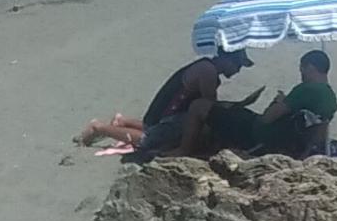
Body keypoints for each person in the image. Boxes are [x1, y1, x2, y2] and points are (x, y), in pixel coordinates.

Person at [74, 48, 254, 149]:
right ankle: (99, 127)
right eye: (237, 64)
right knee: (148, 140)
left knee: (162, 128)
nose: (238, 70)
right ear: (225, 59)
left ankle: (122, 121)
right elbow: (208, 107)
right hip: (168, 114)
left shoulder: (207, 67)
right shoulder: (208, 72)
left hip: (164, 110)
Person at [189, 49, 337, 157]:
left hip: (257, 136)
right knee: (229, 109)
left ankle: (183, 150)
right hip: (287, 142)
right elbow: (319, 132)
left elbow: (268, 118)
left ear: (310, 67)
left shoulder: (306, 89)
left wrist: (277, 102)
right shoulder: (331, 98)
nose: (301, 75)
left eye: (302, 70)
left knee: (200, 106)